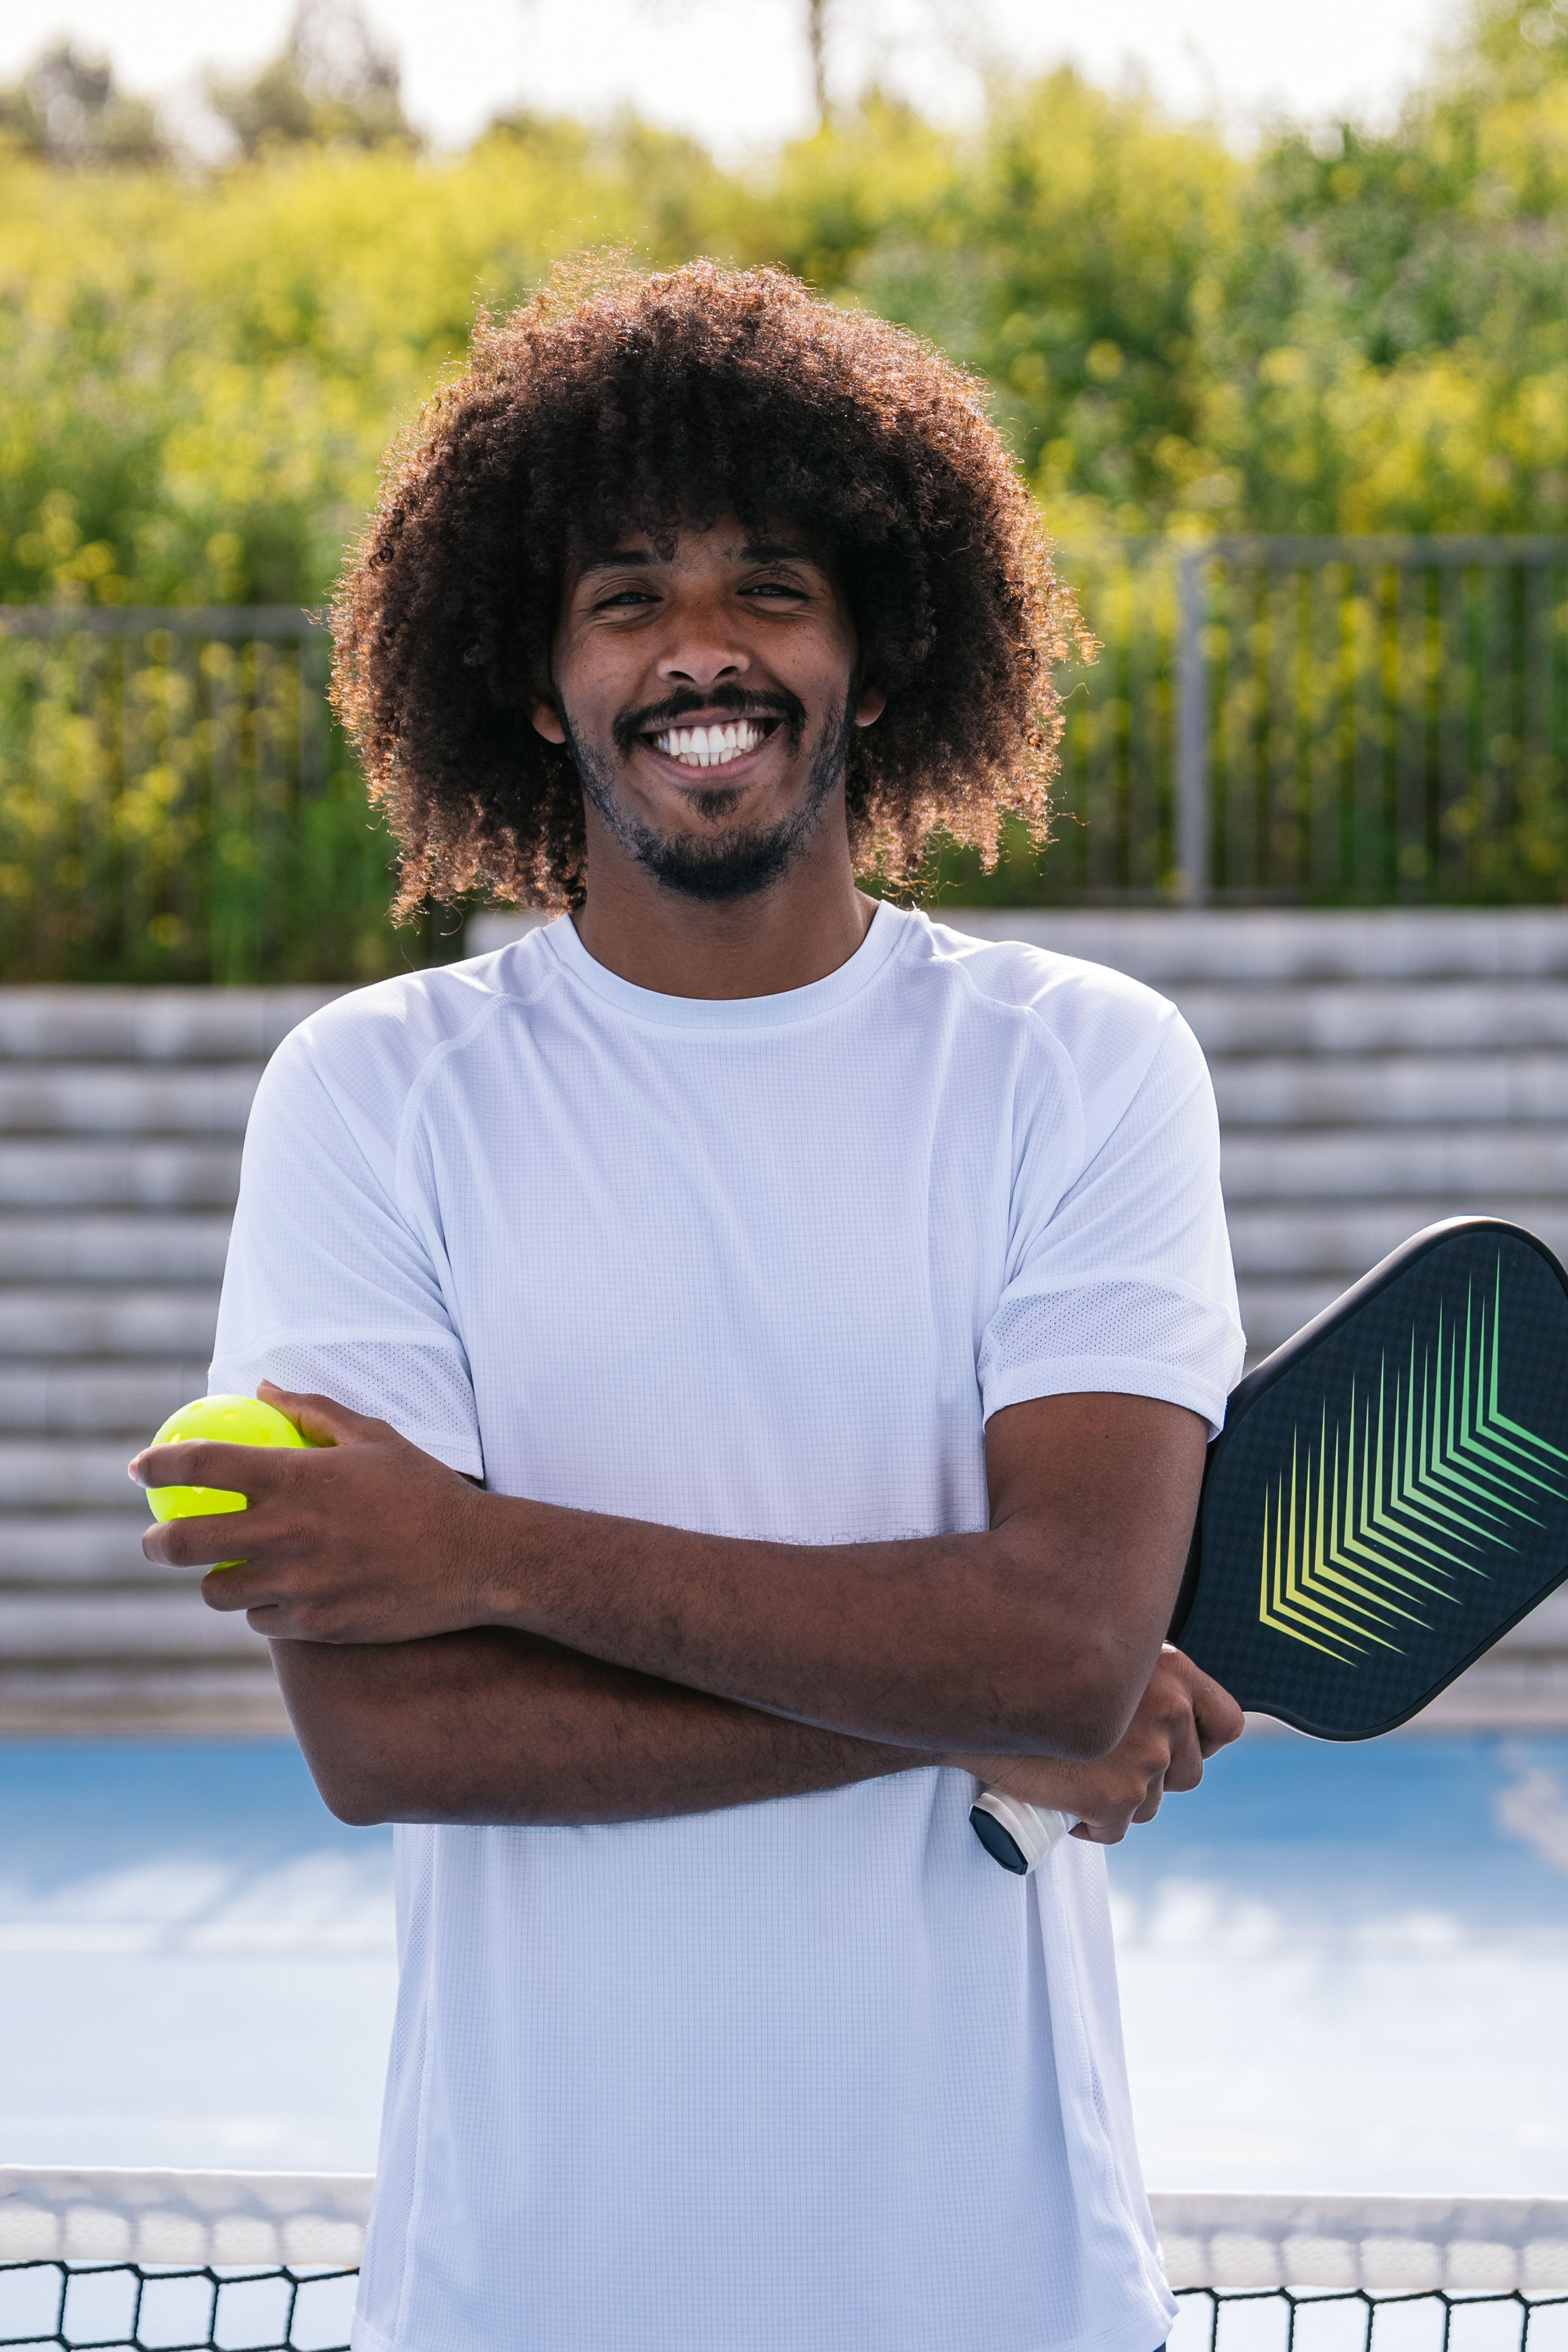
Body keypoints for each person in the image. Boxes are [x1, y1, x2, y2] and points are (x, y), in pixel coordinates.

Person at [136, 258, 1246, 2352]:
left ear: (878, 661)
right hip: (520, 2293)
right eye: (626, 598)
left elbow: (1062, 1642)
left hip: (990, 2294)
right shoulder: (372, 1096)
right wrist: (972, 1715)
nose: (701, 650)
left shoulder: (1083, 1067)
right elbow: (388, 1735)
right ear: (535, 679)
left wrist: (480, 1555)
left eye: (772, 592)